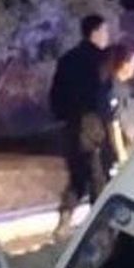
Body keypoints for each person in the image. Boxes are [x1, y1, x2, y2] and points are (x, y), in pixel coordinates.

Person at [49, 14, 110, 238]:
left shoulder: (67, 59)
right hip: (92, 123)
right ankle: (101, 232)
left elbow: (54, 95)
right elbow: (103, 95)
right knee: (98, 177)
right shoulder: (101, 60)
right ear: (95, 33)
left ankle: (64, 220)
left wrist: (64, 116)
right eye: (105, 32)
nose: (107, 37)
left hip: (68, 125)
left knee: (77, 176)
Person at [98, 43, 134, 175]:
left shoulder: (127, 88)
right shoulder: (113, 91)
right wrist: (122, 156)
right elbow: (114, 125)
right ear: (124, 64)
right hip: (125, 155)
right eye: (133, 62)